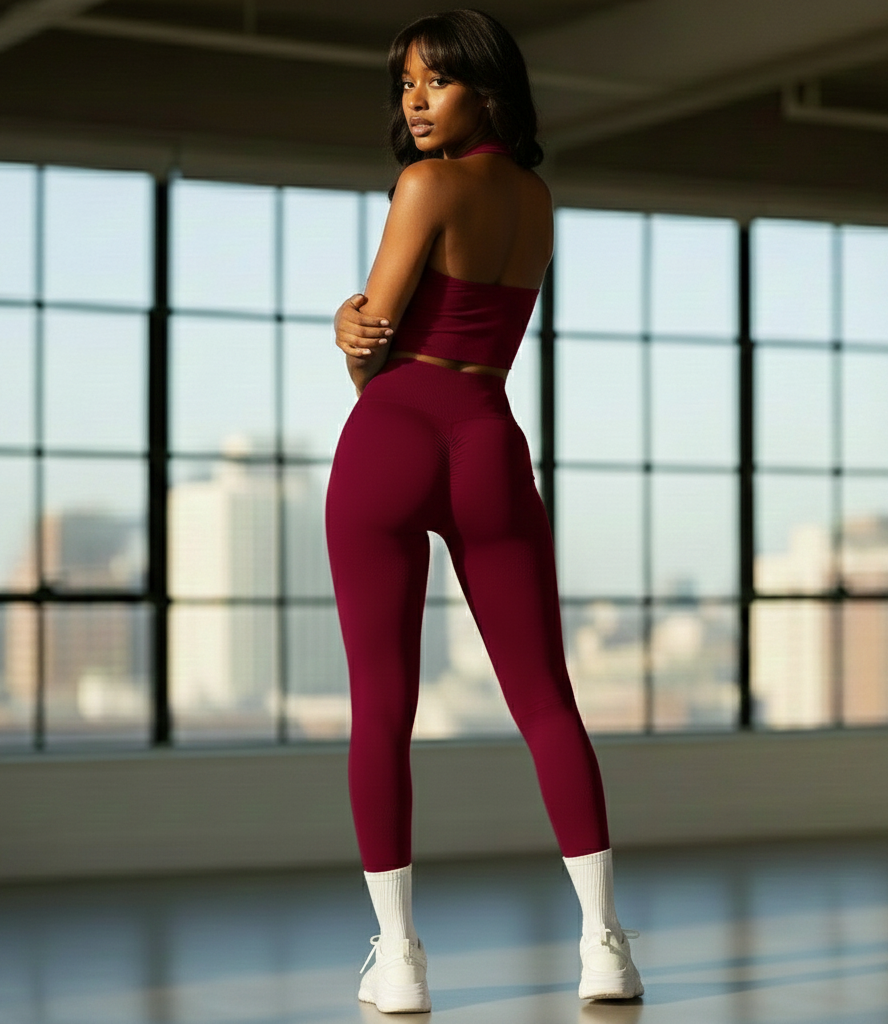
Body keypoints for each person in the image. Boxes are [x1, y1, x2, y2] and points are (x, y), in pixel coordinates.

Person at [326, 9, 643, 1013]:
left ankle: (401, 956)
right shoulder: (539, 200)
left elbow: (372, 342)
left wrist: (345, 325)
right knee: (546, 697)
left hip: (397, 428)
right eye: (406, 85)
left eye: (436, 82)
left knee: (381, 704)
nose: (414, 102)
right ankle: (605, 946)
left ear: (485, 88)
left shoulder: (425, 185)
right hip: (490, 439)